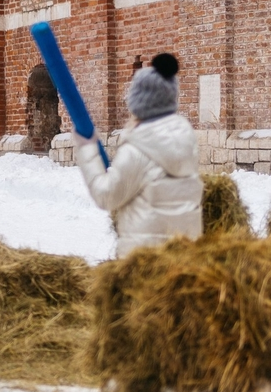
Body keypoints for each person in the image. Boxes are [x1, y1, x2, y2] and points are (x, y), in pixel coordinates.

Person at [75, 53, 201, 258]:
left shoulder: (138, 150)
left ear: (138, 102)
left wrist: (86, 147)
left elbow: (106, 195)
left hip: (145, 261)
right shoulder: (185, 139)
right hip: (183, 257)